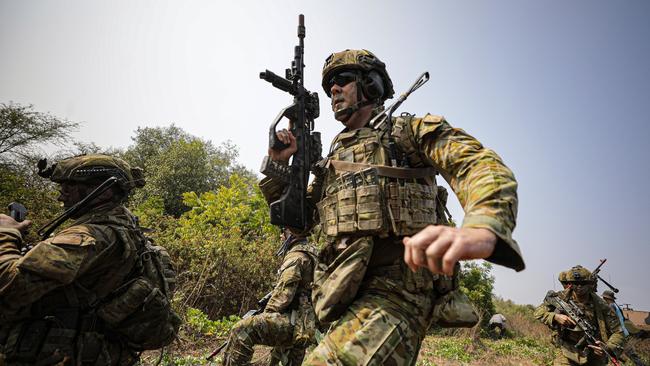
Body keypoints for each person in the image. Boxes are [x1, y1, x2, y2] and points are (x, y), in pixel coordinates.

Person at [260, 49, 523, 365]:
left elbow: (477, 164)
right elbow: (298, 224)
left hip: (399, 296)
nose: (333, 89)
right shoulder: (333, 162)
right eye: (330, 84)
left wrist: (484, 225)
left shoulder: (405, 133)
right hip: (339, 299)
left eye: (343, 80)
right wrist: (280, 165)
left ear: (371, 85)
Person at [0, 154, 179, 366]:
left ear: (103, 191)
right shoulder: (127, 233)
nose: (61, 196)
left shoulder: (90, 237)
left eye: (70, 187)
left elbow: (10, 286)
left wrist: (6, 234)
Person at [222, 229, 318, 366]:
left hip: (296, 323)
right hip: (305, 324)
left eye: (282, 231)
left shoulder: (296, 256)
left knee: (242, 329)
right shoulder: (312, 250)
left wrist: (266, 315)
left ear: (291, 232)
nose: (280, 236)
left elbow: (283, 296)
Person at [534, 266, 625, 365]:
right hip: (567, 351)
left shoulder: (601, 305)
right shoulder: (559, 297)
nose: (579, 287)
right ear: (570, 284)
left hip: (594, 355)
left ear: (590, 284)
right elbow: (538, 312)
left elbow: (618, 332)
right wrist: (555, 317)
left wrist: (607, 347)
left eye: (583, 283)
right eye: (575, 283)